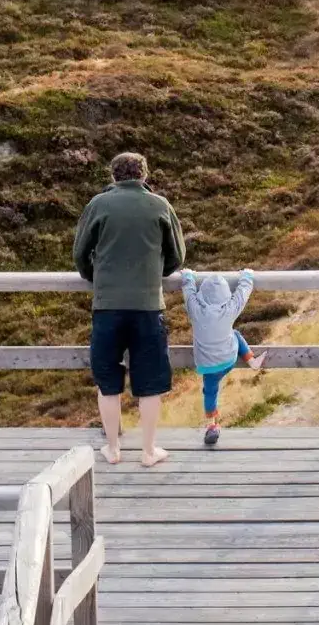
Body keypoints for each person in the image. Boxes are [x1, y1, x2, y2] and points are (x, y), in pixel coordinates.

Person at [75, 150, 184, 466]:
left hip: (107, 306)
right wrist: (155, 272)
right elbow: (176, 255)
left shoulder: (98, 205)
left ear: (113, 176)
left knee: (107, 380)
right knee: (150, 382)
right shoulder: (160, 205)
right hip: (148, 306)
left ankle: (113, 448)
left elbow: (81, 254)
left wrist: (97, 277)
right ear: (144, 175)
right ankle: (149, 451)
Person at [181, 267, 263, 449]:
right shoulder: (230, 309)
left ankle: (212, 425)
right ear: (225, 295)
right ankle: (251, 360)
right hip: (229, 359)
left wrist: (188, 276)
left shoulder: (195, 309)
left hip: (208, 365)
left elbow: (188, 292)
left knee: (210, 392)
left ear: (203, 295)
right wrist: (247, 276)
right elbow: (242, 294)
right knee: (235, 333)